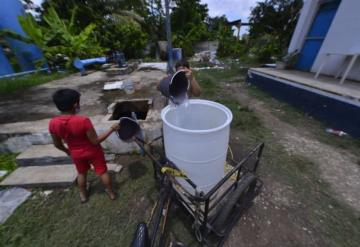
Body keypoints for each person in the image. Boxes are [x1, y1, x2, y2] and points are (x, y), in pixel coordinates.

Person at [49, 88, 119, 203]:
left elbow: (57, 144)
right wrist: (112, 129)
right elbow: (95, 141)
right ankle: (111, 193)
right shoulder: (83, 120)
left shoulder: (53, 123)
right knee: (102, 171)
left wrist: (67, 151)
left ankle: (83, 195)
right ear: (76, 104)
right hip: (93, 151)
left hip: (75, 153)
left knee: (81, 173)